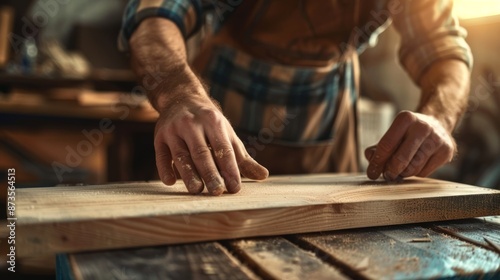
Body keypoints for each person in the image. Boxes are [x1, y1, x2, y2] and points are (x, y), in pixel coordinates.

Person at [118, 0, 472, 195]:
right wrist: (180, 95)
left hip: (330, 115)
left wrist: (439, 118)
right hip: (216, 110)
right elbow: (156, 15)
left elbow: (443, 48)